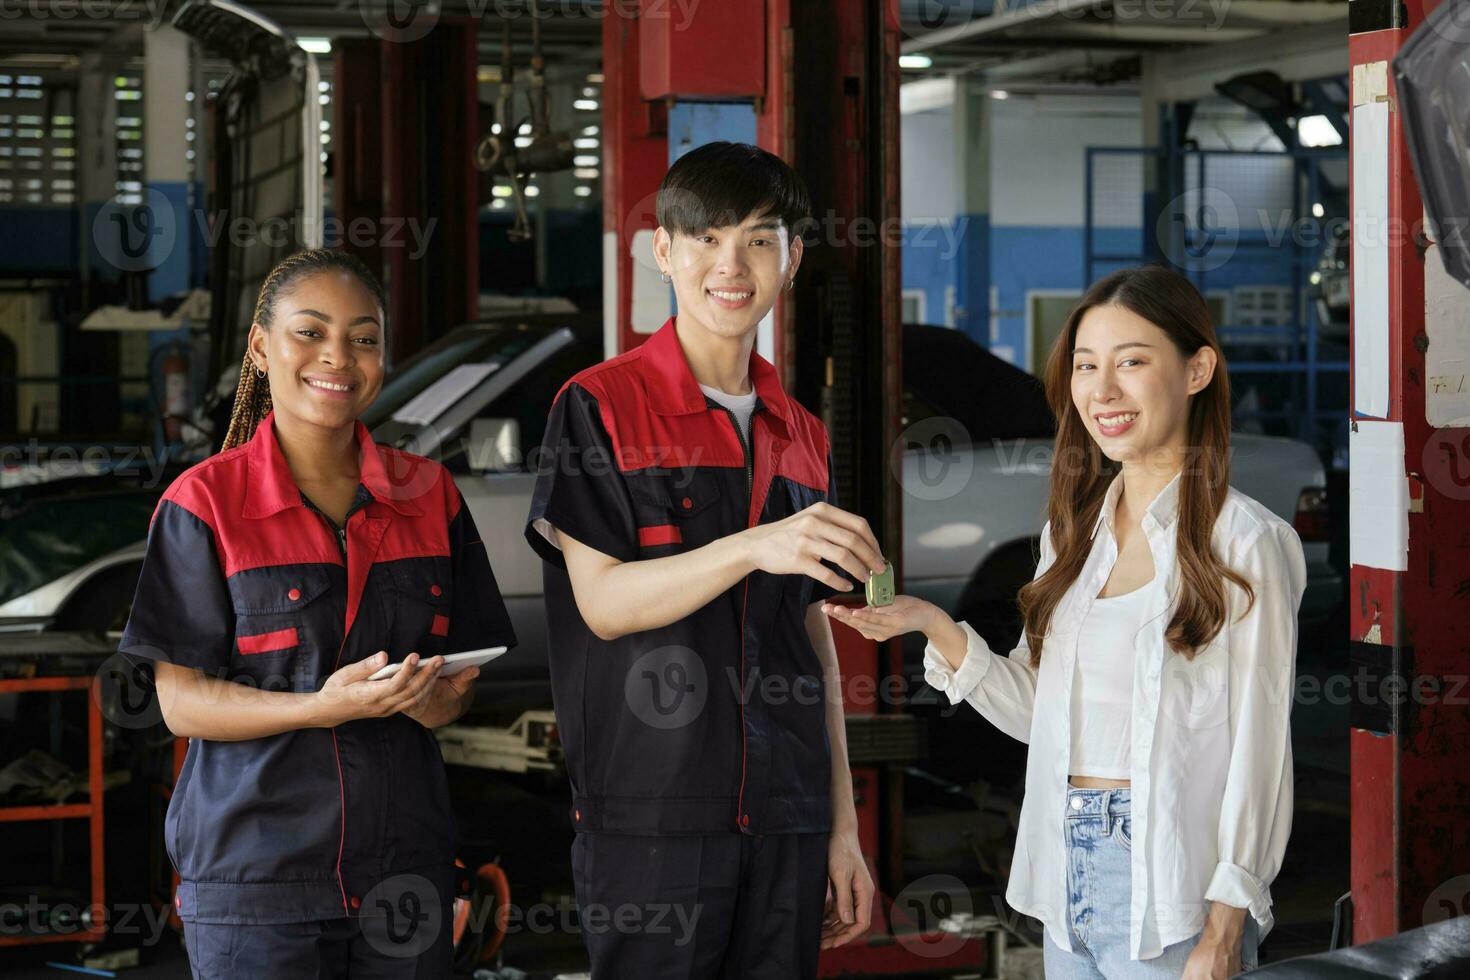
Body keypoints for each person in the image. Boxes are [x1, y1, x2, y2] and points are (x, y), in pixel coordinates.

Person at [824, 266, 1305, 979]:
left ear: (1197, 368)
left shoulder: (1247, 544)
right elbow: (1039, 713)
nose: (1102, 391)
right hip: (1063, 871)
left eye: (1132, 362)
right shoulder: (1073, 536)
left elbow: (1261, 753)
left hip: (1171, 886)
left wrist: (1228, 919)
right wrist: (931, 622)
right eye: (1085, 366)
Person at [525, 141, 878, 978]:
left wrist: (840, 826)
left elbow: (812, 640)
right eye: (708, 237)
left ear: (791, 260)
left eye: (760, 239)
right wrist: (757, 544)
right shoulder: (598, 407)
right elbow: (605, 603)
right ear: (664, 252)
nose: (732, 263)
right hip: (654, 820)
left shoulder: (801, 432)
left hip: (788, 816)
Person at [120, 248, 517, 978]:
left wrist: (428, 702)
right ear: (262, 347)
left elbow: (460, 685)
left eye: (364, 337)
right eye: (310, 331)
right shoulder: (205, 504)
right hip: (258, 876)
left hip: (405, 872)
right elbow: (181, 704)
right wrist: (319, 708)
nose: (339, 355)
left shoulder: (429, 494)